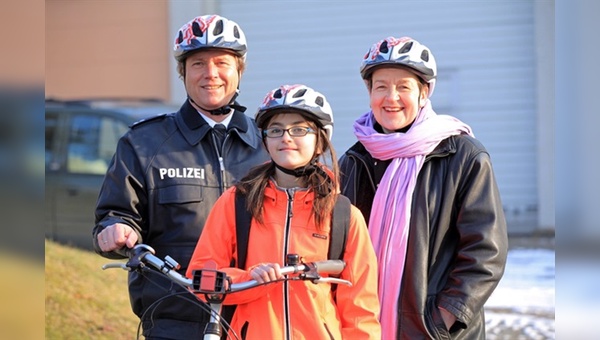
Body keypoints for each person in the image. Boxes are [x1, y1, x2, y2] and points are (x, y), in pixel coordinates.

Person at [92, 15, 269, 339]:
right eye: (198, 63)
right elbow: (115, 215)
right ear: (183, 72)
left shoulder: (269, 142)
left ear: (239, 70)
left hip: (257, 319)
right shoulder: (144, 142)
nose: (211, 74)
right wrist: (114, 229)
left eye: (222, 63)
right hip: (174, 320)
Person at [338, 36, 508, 339]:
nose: (391, 97)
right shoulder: (353, 161)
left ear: (424, 93)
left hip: (434, 332)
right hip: (364, 327)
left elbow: (485, 251)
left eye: (404, 86)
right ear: (369, 93)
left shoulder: (463, 156)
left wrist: (444, 318)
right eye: (381, 86)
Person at [187, 84, 381, 339]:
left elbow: (360, 309)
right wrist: (251, 279)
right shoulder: (236, 202)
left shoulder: (343, 215)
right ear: (266, 141)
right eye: (276, 130)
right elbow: (200, 279)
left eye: (299, 129)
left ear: (320, 140)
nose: (286, 137)